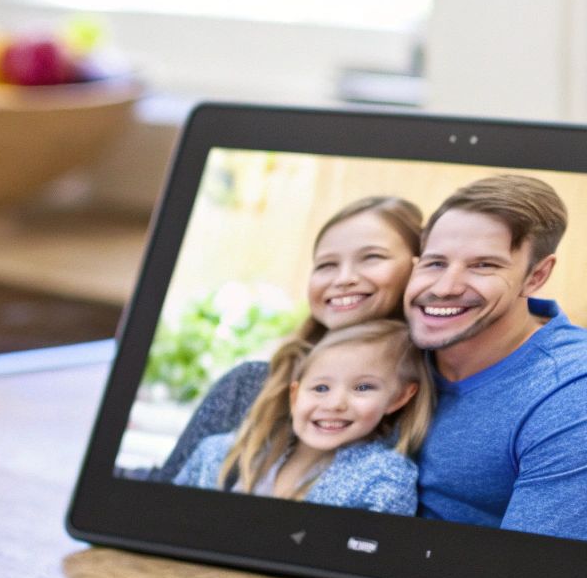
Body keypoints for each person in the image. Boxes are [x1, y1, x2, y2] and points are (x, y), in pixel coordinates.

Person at [405, 174, 587, 541]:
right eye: (435, 263)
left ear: (537, 276)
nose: (445, 287)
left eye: (484, 265)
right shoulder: (389, 343)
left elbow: (538, 572)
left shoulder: (578, 384)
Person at [147, 196, 422, 483]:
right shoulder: (249, 386)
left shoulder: (423, 409)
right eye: (326, 265)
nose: (343, 278)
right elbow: (167, 489)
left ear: (421, 267)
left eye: (372, 257)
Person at [172, 320, 430, 514]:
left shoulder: (384, 477)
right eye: (320, 388)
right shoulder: (218, 454)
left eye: (363, 388)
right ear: (295, 397)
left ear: (399, 398)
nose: (335, 403)